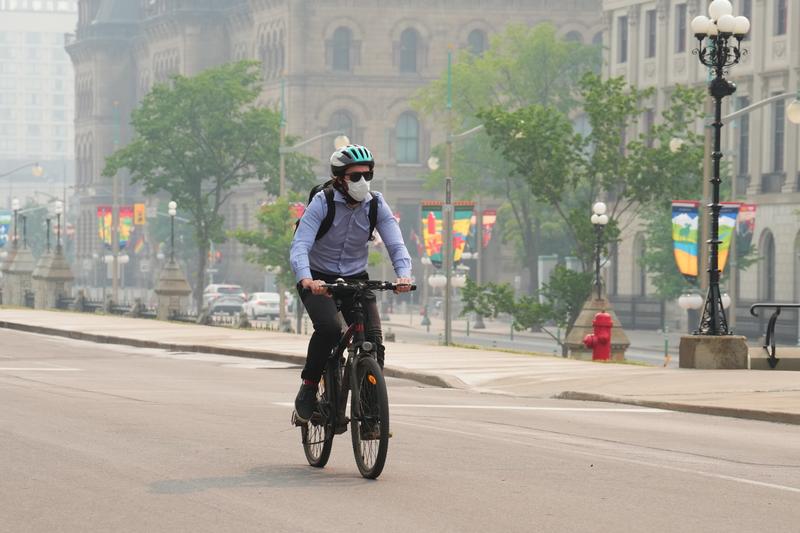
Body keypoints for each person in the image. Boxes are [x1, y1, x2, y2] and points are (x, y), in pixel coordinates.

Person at [289, 144, 413, 423]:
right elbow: (300, 245)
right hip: (318, 278)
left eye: (367, 175)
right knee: (330, 329)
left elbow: (396, 243)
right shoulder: (323, 202)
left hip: (355, 278)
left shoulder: (376, 204)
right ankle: (309, 387)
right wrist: (307, 278)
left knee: (373, 340)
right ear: (339, 179)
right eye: (355, 176)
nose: (363, 182)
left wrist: (404, 275)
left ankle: (370, 412)